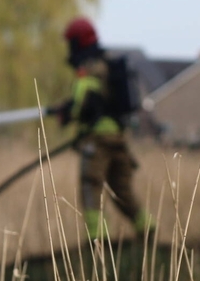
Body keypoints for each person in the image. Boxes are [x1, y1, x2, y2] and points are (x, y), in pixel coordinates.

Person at [56, 17, 152, 240]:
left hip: (98, 140)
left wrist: (67, 113)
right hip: (118, 138)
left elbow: (82, 102)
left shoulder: (88, 70)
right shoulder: (108, 64)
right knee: (121, 189)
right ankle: (148, 229)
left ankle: (98, 241)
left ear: (77, 43)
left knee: (91, 187)